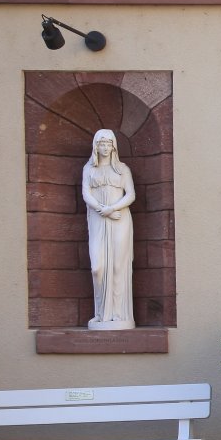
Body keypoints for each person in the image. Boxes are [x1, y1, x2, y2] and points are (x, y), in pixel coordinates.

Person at [81, 128, 136, 330]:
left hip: (120, 220)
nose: (105, 148)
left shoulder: (122, 169)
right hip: (98, 220)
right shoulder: (89, 169)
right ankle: (101, 313)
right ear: (96, 147)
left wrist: (112, 209)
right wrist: (103, 211)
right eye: (101, 144)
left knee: (118, 266)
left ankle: (119, 314)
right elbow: (86, 194)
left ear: (113, 147)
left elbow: (130, 194)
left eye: (108, 144)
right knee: (98, 268)